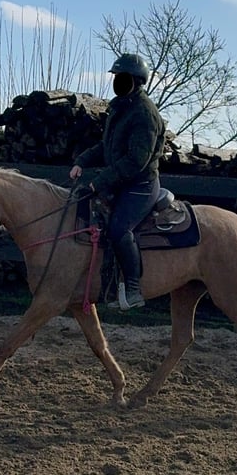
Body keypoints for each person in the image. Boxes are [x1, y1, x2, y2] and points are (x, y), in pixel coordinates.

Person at [69, 53, 166, 310]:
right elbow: (107, 146)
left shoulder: (144, 114)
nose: (118, 82)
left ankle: (133, 288)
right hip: (122, 181)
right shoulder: (120, 108)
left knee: (119, 229)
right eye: (116, 78)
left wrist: (98, 182)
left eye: (122, 78)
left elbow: (136, 161)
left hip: (140, 185)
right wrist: (82, 161)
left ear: (135, 81)